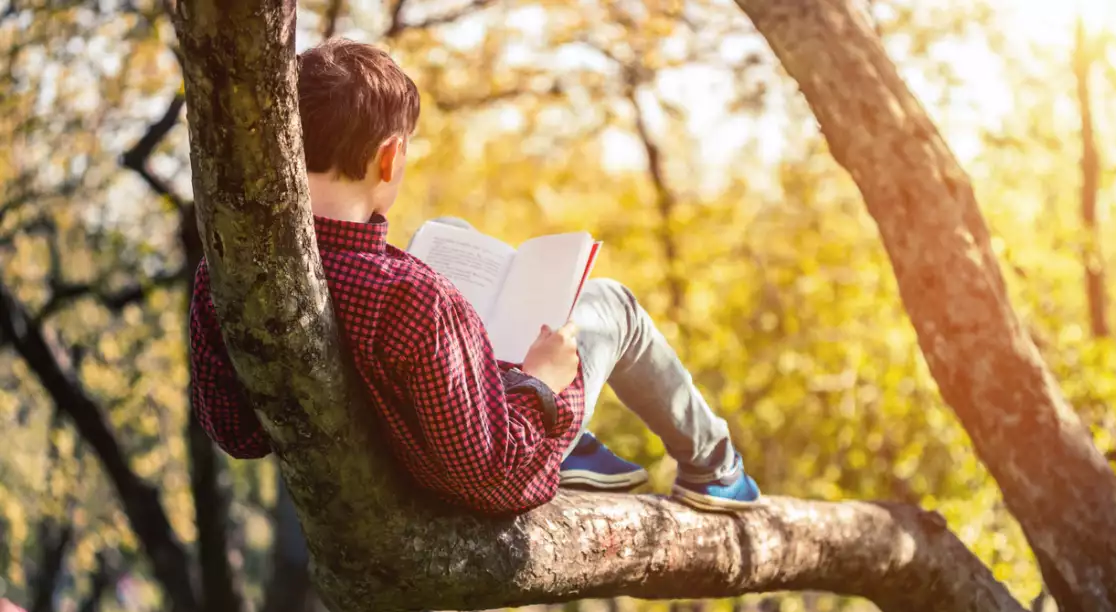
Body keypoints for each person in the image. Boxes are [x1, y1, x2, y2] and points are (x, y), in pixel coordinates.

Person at [189, 38, 760, 516]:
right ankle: (714, 469)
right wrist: (541, 385)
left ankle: (587, 448)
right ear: (389, 159)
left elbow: (236, 431)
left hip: (413, 425)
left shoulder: (229, 276)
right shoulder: (415, 301)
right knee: (613, 304)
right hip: (485, 445)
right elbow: (493, 478)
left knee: (449, 229)